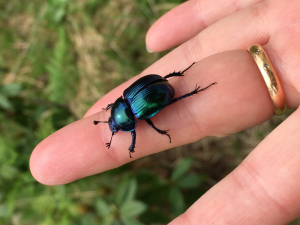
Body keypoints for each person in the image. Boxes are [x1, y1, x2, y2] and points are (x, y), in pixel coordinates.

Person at [30, 0, 300, 224]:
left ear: (121, 120)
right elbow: (143, 90)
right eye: (115, 126)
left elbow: (136, 129)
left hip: (161, 92)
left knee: (174, 101)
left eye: (114, 125)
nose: (114, 127)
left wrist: (144, 138)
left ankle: (194, 90)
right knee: (168, 93)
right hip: (152, 85)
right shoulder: (121, 102)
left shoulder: (134, 120)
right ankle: (191, 85)